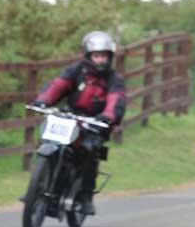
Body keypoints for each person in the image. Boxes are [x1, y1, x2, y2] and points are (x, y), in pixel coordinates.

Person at [31, 30, 126, 215]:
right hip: (70, 117)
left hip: (96, 123)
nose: (100, 60)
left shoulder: (114, 79)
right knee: (49, 141)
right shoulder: (76, 70)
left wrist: (108, 116)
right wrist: (43, 100)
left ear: (110, 58)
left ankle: (85, 197)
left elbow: (116, 99)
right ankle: (40, 183)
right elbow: (58, 85)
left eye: (104, 56)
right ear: (89, 55)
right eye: (97, 56)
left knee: (90, 152)